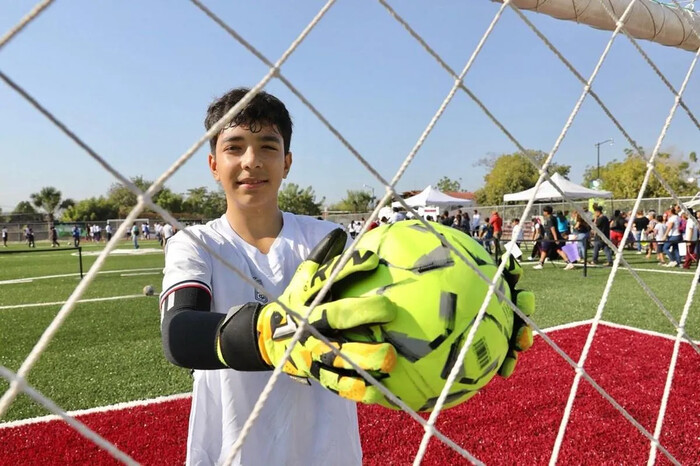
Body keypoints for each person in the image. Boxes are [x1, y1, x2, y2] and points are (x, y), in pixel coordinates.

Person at [159, 88, 398, 465]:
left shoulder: (329, 240)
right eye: (234, 147)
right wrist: (275, 335)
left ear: (287, 163)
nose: (251, 161)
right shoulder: (195, 244)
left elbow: (391, 315)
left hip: (327, 453)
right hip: (231, 453)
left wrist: (480, 321)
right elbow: (179, 334)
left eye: (267, 147)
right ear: (213, 165)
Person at [533, 206, 574, 270]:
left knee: (544, 250)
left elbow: (552, 228)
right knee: (559, 250)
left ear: (547, 212)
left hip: (550, 238)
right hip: (553, 237)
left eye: (544, 211)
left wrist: (555, 238)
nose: (543, 212)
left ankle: (540, 264)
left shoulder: (549, 219)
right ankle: (569, 263)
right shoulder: (554, 217)